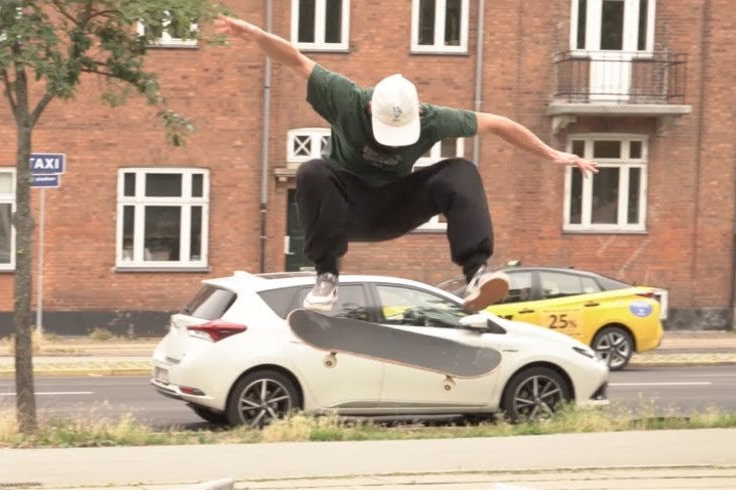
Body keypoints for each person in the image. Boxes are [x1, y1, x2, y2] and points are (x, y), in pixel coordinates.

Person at [211, 15, 599, 313]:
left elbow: (498, 124)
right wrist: (257, 36)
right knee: (313, 169)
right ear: (369, 107)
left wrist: (552, 153)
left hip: (396, 207)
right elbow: (296, 59)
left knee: (459, 170)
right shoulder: (343, 96)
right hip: (345, 209)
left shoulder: (431, 119)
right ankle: (326, 276)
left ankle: (476, 274)